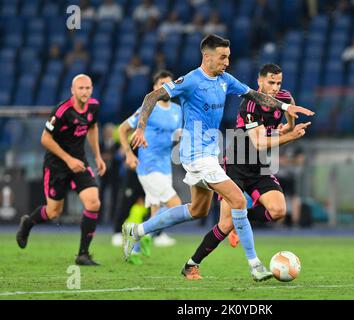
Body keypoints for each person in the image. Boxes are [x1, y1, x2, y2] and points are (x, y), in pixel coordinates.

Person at [122, 34, 314, 281]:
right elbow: (152, 97)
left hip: (210, 155)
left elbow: (256, 96)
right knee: (238, 201)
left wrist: (286, 108)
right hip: (195, 154)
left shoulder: (225, 80)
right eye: (222, 57)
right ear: (207, 56)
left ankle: (136, 230)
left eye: (228, 57)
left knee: (197, 210)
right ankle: (255, 265)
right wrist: (140, 127)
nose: (226, 62)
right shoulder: (191, 80)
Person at [182, 64, 310, 277]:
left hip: (259, 168)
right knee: (224, 225)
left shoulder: (285, 97)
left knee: (278, 211)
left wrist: (288, 128)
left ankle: (241, 219)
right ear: (260, 82)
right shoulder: (250, 104)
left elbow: (289, 120)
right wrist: (290, 136)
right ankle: (191, 264)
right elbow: (259, 143)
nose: (275, 87)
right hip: (236, 166)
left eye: (278, 82)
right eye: (271, 82)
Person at [16, 74, 106, 266]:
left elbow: (93, 127)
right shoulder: (62, 110)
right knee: (53, 212)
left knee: (93, 203)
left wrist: (97, 156)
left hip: (79, 163)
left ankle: (83, 254)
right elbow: (45, 139)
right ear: (72, 91)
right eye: (81, 88)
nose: (85, 91)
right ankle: (28, 223)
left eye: (88, 88)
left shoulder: (94, 106)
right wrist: (68, 159)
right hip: (57, 165)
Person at [118, 70, 183, 263]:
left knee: (156, 212)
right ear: (154, 88)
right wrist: (129, 153)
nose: (166, 87)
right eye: (161, 84)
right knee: (176, 206)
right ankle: (137, 233)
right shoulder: (148, 107)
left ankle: (135, 250)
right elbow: (123, 129)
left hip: (165, 166)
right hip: (148, 166)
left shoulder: (177, 110)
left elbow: (175, 136)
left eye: (169, 84)